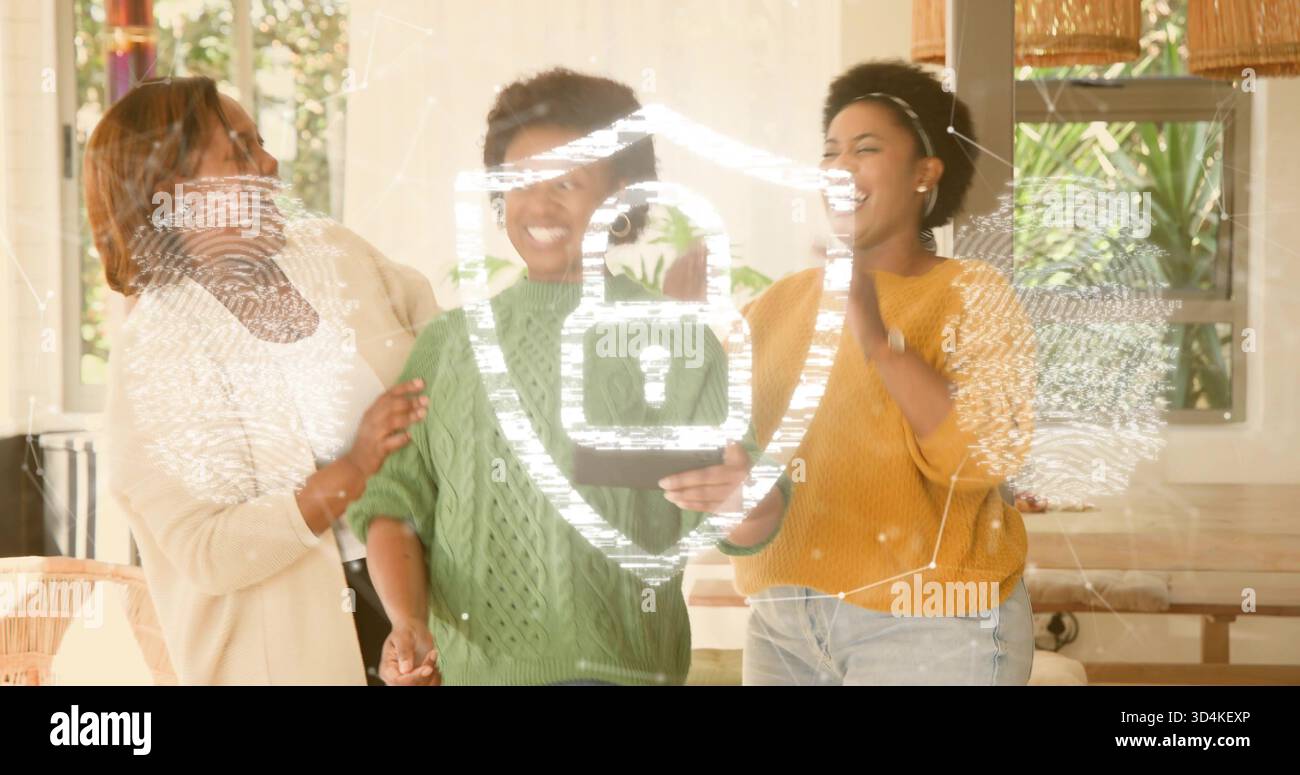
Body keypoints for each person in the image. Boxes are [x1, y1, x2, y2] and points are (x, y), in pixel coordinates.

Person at [347, 68, 732, 686]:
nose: (540, 204)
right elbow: (392, 504)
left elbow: (728, 510)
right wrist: (407, 622)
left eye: (569, 182)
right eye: (521, 181)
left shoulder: (674, 341)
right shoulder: (448, 346)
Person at [662, 60, 1037, 685]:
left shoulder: (974, 294)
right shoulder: (778, 304)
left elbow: (980, 460)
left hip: (930, 628)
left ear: (926, 172)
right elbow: (729, 457)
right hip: (782, 624)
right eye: (830, 151)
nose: (840, 168)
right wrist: (680, 329)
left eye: (865, 149)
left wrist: (877, 336)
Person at [87, 76, 438, 684]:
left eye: (261, 142)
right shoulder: (157, 347)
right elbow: (208, 551)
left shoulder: (332, 251)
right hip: (291, 659)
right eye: (240, 150)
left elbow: (443, 356)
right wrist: (350, 472)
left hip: (428, 611)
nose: (270, 162)